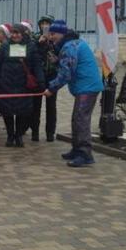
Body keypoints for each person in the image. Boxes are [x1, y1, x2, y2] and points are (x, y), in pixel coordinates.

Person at [43, 20, 104, 167]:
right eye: (50, 34)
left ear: (62, 33)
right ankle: (76, 149)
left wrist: (51, 88)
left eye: (53, 34)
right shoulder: (72, 43)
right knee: (76, 118)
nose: (51, 37)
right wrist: (58, 61)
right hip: (85, 86)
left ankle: (85, 154)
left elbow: (66, 73)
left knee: (81, 120)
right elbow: (70, 65)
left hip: (87, 87)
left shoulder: (70, 46)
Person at [0, 24, 44, 148]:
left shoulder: (31, 46)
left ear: (23, 33)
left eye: (17, 33)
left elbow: (37, 65)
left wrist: (41, 80)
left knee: (22, 111)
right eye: (13, 33)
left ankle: (19, 135)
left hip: (23, 84)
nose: (15, 35)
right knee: (7, 111)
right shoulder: (4, 46)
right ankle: (10, 135)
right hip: (6, 83)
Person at [31, 16, 58, 142]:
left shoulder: (55, 38)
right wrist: (39, 43)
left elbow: (60, 53)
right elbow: (31, 53)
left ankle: (50, 133)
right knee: (36, 105)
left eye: (47, 23)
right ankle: (35, 132)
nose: (45, 26)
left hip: (52, 75)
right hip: (38, 76)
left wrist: (51, 43)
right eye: (42, 23)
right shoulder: (35, 37)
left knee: (51, 106)